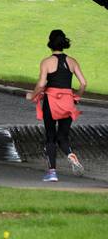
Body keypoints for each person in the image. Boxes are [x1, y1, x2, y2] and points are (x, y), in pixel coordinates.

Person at [26, 29, 87, 182]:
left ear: (50, 43)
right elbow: (84, 83)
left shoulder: (46, 62)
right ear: (64, 43)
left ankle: (52, 172)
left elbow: (41, 85)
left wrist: (32, 96)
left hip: (52, 101)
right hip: (68, 101)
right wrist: (77, 96)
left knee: (50, 137)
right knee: (63, 137)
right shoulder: (72, 61)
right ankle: (70, 154)